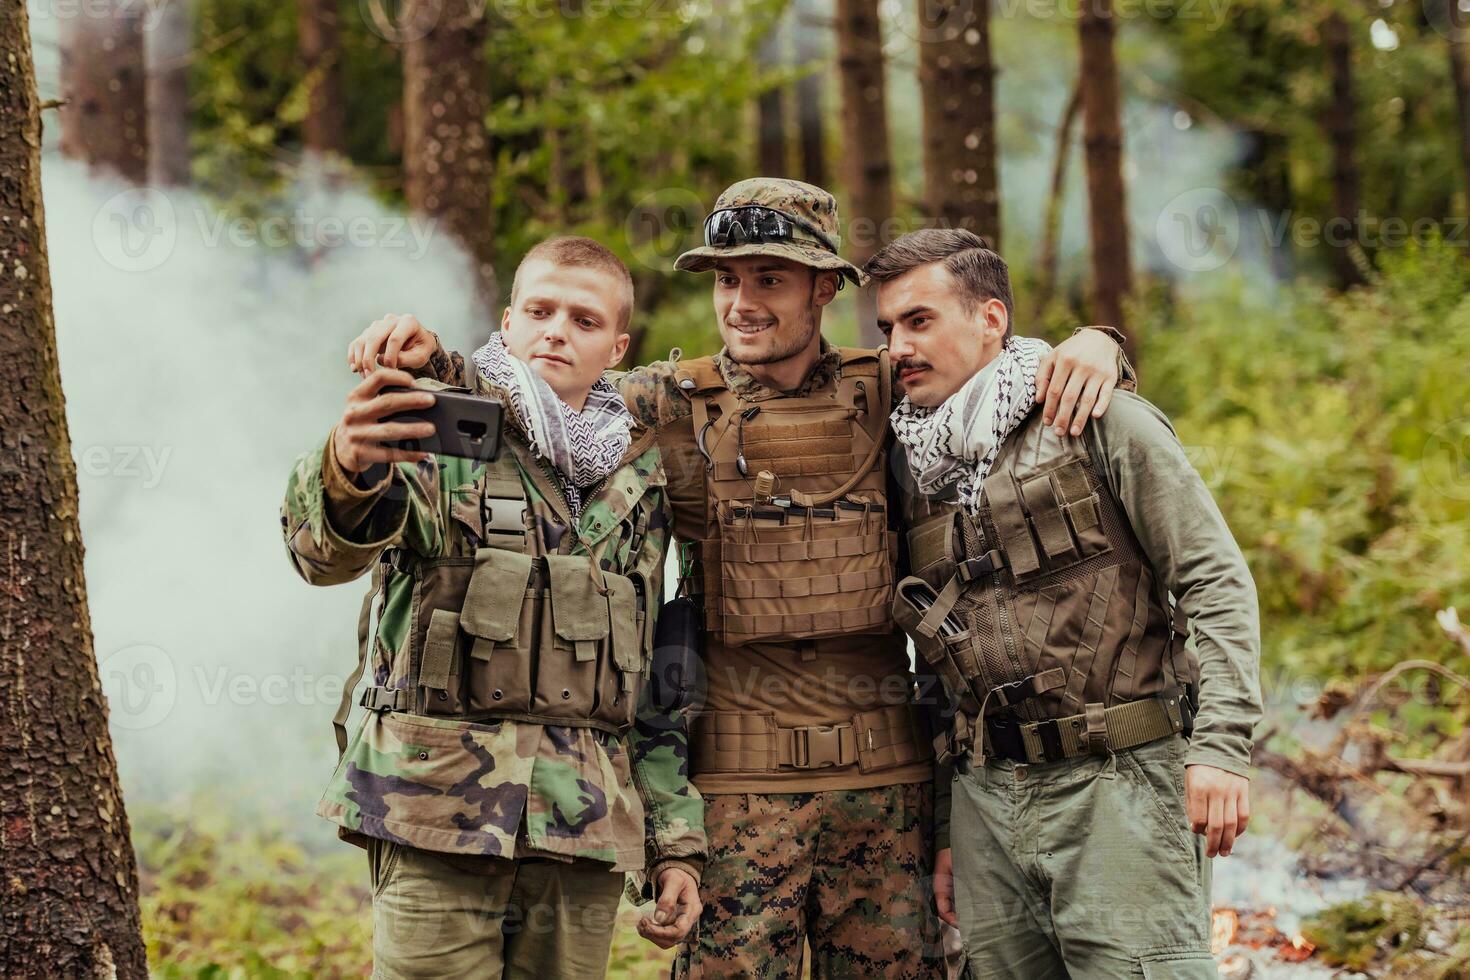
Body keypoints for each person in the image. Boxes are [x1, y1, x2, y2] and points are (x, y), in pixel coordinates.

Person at [347, 179, 1127, 978]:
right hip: (734, 788)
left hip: (888, 783)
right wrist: (433, 359)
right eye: (727, 280)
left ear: (824, 287)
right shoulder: (663, 404)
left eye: (769, 279)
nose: (742, 302)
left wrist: (1098, 343)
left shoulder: (890, 387)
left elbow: (995, 378)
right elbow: (536, 391)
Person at [281, 236, 705, 978]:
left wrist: (674, 847)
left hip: (583, 834)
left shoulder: (641, 483)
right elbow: (323, 556)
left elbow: (648, 691)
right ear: (507, 322)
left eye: (583, 320)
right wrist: (346, 465)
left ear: (618, 345)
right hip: (436, 817)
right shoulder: (442, 432)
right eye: (539, 311)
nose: (556, 331)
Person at [870, 228, 1262, 979]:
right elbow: (936, 668)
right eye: (888, 327)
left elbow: (1214, 580)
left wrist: (1222, 746)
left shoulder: (1099, 418)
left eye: (920, 320)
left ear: (990, 319)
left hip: (1121, 785)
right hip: (989, 804)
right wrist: (952, 824)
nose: (899, 346)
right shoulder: (911, 466)